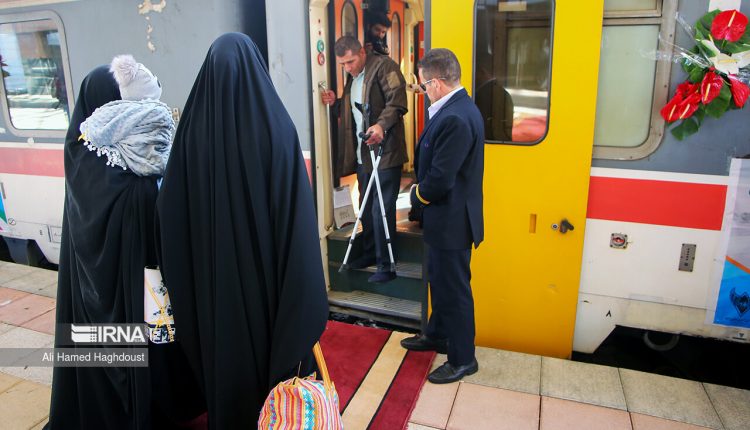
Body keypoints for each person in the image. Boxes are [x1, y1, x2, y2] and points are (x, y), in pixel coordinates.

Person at [156, 33, 329, 429]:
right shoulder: (277, 132)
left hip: (211, 295)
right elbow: (297, 224)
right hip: (268, 296)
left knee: (224, 371)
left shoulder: (190, 138)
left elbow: (167, 216)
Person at [46, 59, 201, 428]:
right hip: (108, 286)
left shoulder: (111, 145)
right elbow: (115, 209)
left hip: (132, 280)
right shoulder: (89, 151)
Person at [400, 48, 485, 384]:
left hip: (452, 222)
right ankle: (437, 334)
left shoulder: (454, 117)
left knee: (454, 290)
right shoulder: (459, 108)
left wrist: (413, 197)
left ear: (435, 83)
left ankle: (463, 359)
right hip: (447, 219)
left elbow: (439, 180)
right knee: (439, 280)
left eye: (423, 86)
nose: (423, 92)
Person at [321, 35, 407, 283]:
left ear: (361, 53)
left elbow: (397, 101)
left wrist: (381, 126)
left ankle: (386, 264)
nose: (347, 68)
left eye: (350, 61)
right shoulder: (354, 78)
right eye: (342, 64)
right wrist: (336, 102)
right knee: (367, 206)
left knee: (382, 208)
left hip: (386, 153)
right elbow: (356, 111)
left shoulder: (384, 66)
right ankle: (370, 254)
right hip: (364, 154)